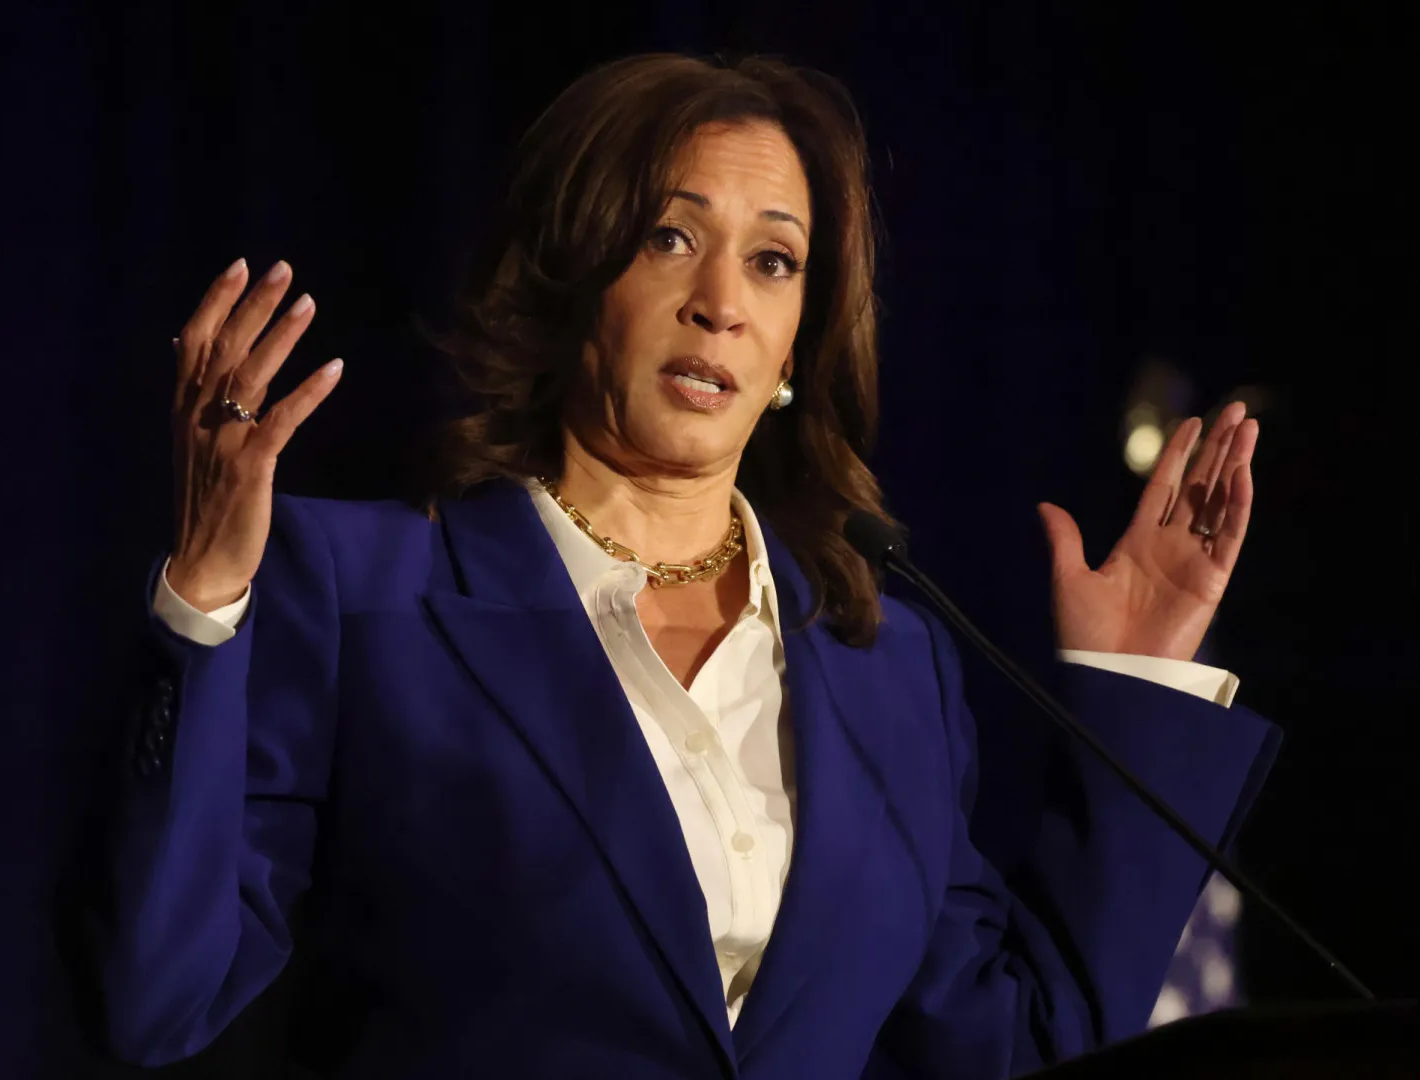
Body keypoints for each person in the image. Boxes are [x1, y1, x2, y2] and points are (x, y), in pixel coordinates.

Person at [97, 53, 1277, 1078]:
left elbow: (1021, 1047)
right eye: (671, 238)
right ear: (571, 277)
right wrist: (203, 601)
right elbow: (154, 1000)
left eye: (774, 261)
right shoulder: (368, 594)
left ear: (796, 349)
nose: (721, 304)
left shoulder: (889, 668)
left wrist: (1140, 688)